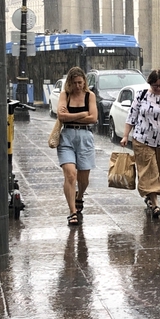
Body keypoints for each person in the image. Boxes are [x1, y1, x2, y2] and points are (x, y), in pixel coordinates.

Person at [120, 69, 160, 218]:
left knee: (159, 171)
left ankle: (150, 196)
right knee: (150, 170)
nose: (158, 88)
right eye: (155, 86)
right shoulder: (141, 96)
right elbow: (131, 117)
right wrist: (125, 136)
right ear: (150, 84)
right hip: (142, 139)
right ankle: (155, 204)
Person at [57, 66, 97, 226]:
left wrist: (70, 116)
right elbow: (61, 116)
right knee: (70, 175)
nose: (78, 86)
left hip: (85, 137)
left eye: (80, 82)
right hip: (66, 137)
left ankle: (79, 196)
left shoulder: (90, 96)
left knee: (84, 179)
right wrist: (82, 114)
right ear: (69, 83)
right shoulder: (65, 95)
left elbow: (93, 118)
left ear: (84, 82)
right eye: (74, 83)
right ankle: (72, 212)